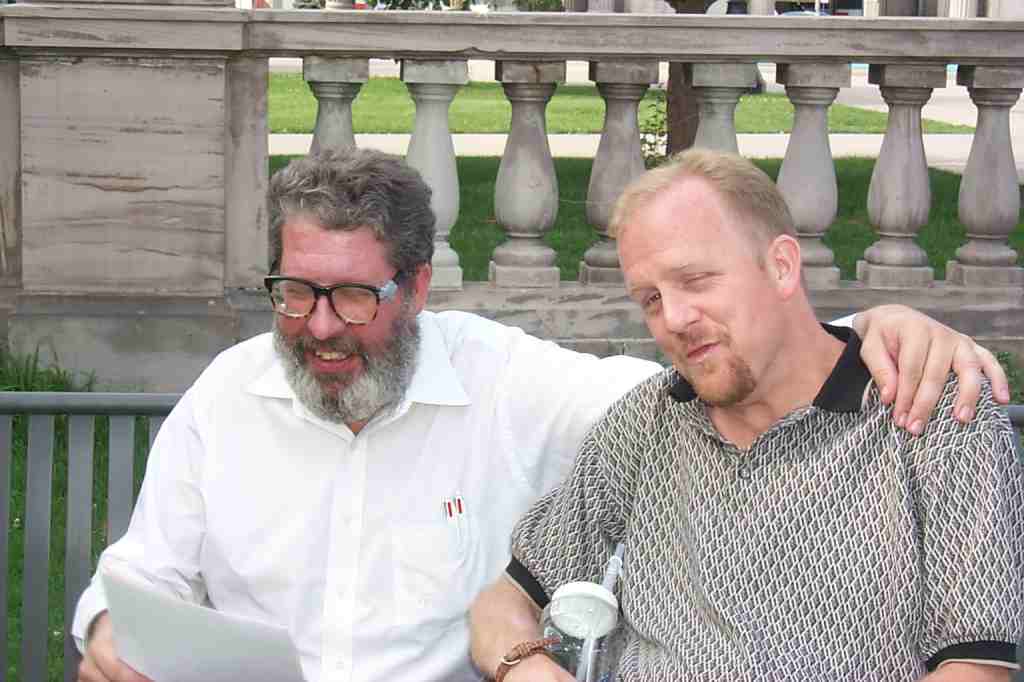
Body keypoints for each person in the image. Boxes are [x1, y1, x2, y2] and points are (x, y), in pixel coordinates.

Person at [74, 149, 1010, 682]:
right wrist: (111, 636)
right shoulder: (654, 424)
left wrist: (874, 329)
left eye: (353, 298)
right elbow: (133, 590)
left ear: (419, 288)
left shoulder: (938, 427)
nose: (318, 328)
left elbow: (758, 368)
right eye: (292, 293)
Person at [469, 149, 1024, 682]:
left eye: (695, 280)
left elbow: (975, 666)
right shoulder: (646, 422)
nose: (674, 320)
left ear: (781, 266)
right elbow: (507, 599)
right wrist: (528, 668)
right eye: (651, 299)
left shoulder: (934, 412)